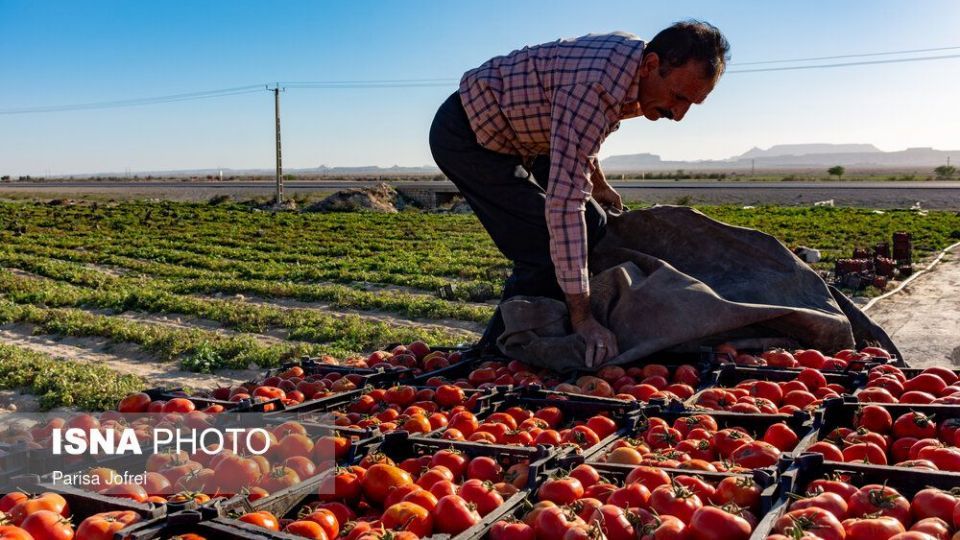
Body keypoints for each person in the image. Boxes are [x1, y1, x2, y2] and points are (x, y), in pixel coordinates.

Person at [429, 21, 730, 368]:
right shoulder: (596, 85)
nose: (678, 115)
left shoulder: (632, 65)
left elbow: (585, 132)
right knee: (541, 243)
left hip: (532, 134)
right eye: (678, 97)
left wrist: (598, 183)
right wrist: (583, 318)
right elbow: (563, 205)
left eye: (691, 104)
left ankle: (557, 318)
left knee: (594, 221)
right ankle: (498, 352)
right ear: (651, 66)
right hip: (469, 133)